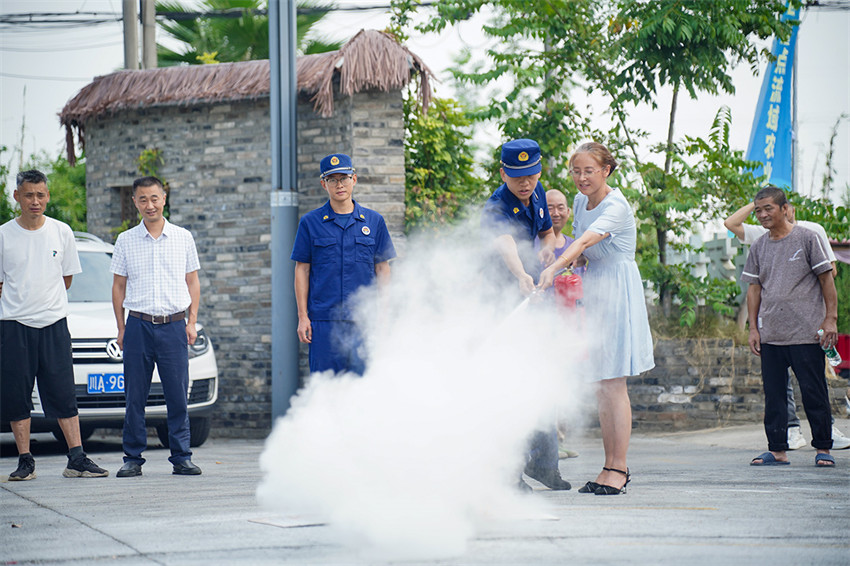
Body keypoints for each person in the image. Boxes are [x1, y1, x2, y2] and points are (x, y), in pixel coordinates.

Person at [539, 142, 655, 495]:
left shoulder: (616, 206)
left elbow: (586, 240)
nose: (581, 178)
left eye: (589, 170)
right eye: (576, 171)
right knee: (600, 384)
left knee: (613, 382)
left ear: (606, 170)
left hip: (618, 291)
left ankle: (618, 469)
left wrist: (557, 264)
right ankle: (607, 465)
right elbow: (584, 253)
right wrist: (571, 269)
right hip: (594, 290)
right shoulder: (578, 202)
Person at [1, 169, 109, 480]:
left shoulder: (61, 232)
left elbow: (67, 279)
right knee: (17, 393)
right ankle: (25, 460)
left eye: (41, 195)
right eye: (29, 195)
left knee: (63, 392)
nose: (35, 201)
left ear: (47, 196)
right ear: (17, 197)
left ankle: (76, 458)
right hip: (14, 324)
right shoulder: (3, 235)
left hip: (54, 323)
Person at [481, 138, 571, 492]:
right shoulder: (495, 207)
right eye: (517, 176)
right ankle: (507, 473)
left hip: (533, 297)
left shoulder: (537, 194)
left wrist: (548, 251)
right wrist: (521, 274)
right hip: (499, 301)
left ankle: (544, 465)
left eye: (532, 175)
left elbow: (547, 233)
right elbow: (506, 245)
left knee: (541, 379)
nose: (526, 183)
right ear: (503, 173)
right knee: (510, 385)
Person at [725, 202, 850, 451]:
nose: (763, 214)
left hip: (806, 327)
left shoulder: (811, 232)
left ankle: (825, 440)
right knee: (776, 392)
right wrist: (757, 203)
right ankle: (786, 438)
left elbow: (829, 273)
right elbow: (731, 225)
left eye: (769, 208)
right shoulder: (760, 237)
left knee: (814, 387)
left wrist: (829, 319)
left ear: (786, 208)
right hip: (772, 329)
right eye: (759, 210)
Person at [111, 176, 202, 477]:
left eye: (154, 198)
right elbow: (118, 287)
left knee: (177, 393)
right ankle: (133, 458)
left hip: (174, 326)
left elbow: (193, 282)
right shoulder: (125, 240)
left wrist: (192, 322)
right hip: (138, 325)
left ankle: (181, 456)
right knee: (135, 395)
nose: (149, 205)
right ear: (135, 202)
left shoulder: (183, 237)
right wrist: (121, 328)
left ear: (164, 198)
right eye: (142, 199)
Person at [291, 153, 396, 376]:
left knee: (364, 387)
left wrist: (384, 316)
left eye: (344, 178)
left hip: (364, 320)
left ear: (354, 179)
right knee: (325, 389)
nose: (340, 185)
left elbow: (383, 270)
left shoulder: (374, 221)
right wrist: (303, 317)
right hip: (324, 322)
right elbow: (302, 270)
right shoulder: (310, 222)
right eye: (332, 180)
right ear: (323, 184)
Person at [538, 189, 580, 459]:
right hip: (542, 323)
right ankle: (547, 444)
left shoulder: (576, 245)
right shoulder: (537, 244)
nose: (556, 212)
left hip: (571, 324)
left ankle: (559, 439)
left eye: (561, 207)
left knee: (567, 381)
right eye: (550, 207)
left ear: (568, 212)